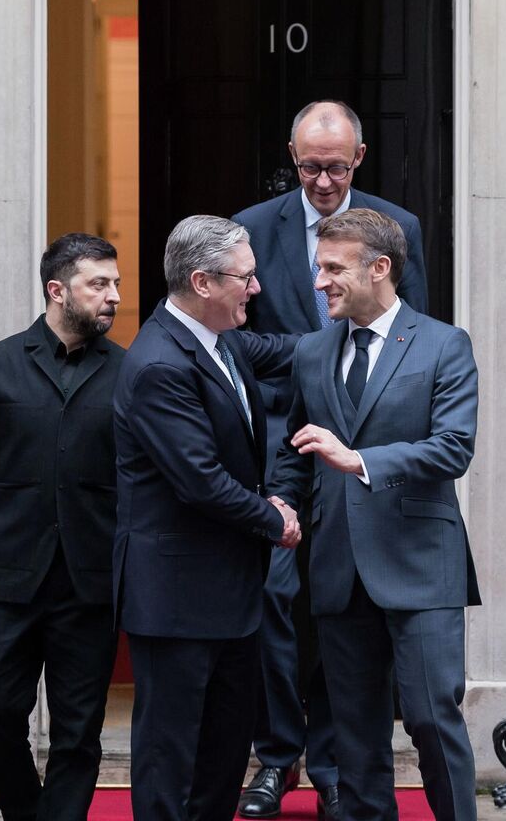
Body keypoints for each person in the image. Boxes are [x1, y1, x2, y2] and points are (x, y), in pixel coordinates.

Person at [229, 100, 428, 821]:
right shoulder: (251, 229)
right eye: (310, 167)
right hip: (277, 447)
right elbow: (235, 339)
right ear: (292, 156)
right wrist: (311, 353)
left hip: (362, 450)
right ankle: (277, 756)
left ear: (359, 159)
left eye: (336, 168)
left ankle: (335, 763)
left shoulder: (396, 227)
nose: (321, 181)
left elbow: (413, 337)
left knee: (344, 609)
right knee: (275, 601)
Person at [274, 208, 480, 821]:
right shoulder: (312, 351)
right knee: (354, 736)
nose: (320, 282)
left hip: (421, 563)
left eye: (333, 269)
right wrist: (281, 501)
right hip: (339, 566)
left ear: (379, 268)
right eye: (319, 268)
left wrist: (359, 459)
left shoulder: (444, 344)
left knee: (431, 718)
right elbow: (294, 447)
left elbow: (453, 447)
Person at [0, 233, 126, 821]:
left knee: (78, 732)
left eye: (115, 283)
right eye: (99, 284)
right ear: (58, 290)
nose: (114, 296)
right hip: (7, 578)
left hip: (90, 583)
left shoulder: (129, 372)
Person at [114, 214, 303, 821]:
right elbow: (200, 480)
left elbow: (289, 350)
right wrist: (274, 519)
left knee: (223, 755)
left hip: (230, 594)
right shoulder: (160, 363)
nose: (256, 288)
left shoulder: (223, 342)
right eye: (245, 278)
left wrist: (369, 322)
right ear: (202, 282)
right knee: (172, 758)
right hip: (177, 598)